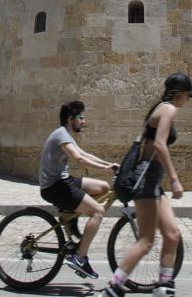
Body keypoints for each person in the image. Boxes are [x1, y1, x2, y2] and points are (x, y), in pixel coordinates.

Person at [101, 73, 192, 297]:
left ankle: (164, 287)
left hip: (153, 180)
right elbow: (159, 144)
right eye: (187, 96)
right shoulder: (169, 109)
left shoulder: (161, 108)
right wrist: (174, 179)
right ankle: (113, 287)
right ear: (180, 93)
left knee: (172, 235)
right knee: (146, 241)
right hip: (146, 179)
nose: (188, 100)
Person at [39, 100, 119, 280]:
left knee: (104, 187)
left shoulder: (65, 134)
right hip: (54, 187)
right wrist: (106, 170)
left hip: (64, 180)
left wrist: (110, 165)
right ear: (70, 118)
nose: (83, 122)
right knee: (98, 211)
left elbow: (85, 154)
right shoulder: (61, 135)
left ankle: (70, 215)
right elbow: (79, 160)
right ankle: (79, 257)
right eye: (81, 118)